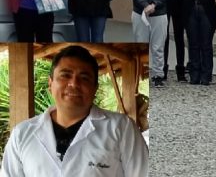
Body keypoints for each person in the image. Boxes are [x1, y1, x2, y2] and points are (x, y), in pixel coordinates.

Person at [0, 46, 148, 176]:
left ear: (95, 88)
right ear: (50, 83)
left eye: (84, 78)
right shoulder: (22, 134)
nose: (74, 83)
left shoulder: (121, 128)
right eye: (65, 75)